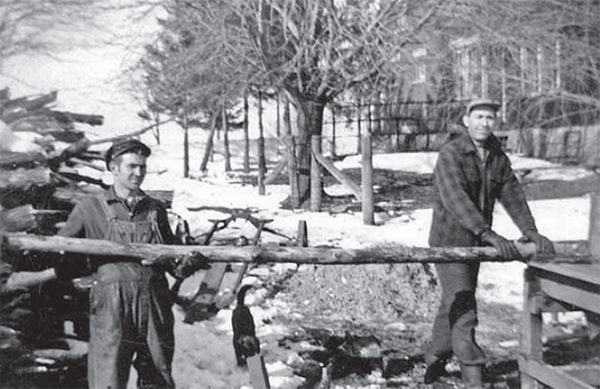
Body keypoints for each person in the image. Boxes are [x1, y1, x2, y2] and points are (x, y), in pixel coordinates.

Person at [423, 98, 555, 388]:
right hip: (449, 244)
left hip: (477, 243)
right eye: (479, 117)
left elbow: (512, 194)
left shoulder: (496, 156)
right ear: (466, 120)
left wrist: (530, 230)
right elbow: (456, 200)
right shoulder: (451, 154)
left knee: (454, 301)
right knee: (466, 307)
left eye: (490, 118)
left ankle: (434, 355)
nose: (484, 123)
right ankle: (474, 374)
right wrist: (489, 234)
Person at [56, 138, 207, 389]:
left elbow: (170, 261)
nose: (139, 173)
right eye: (132, 166)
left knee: (158, 374)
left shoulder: (155, 209)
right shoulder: (89, 207)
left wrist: (188, 264)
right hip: (111, 305)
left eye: (143, 167)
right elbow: (64, 254)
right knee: (108, 375)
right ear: (114, 168)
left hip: (154, 302)